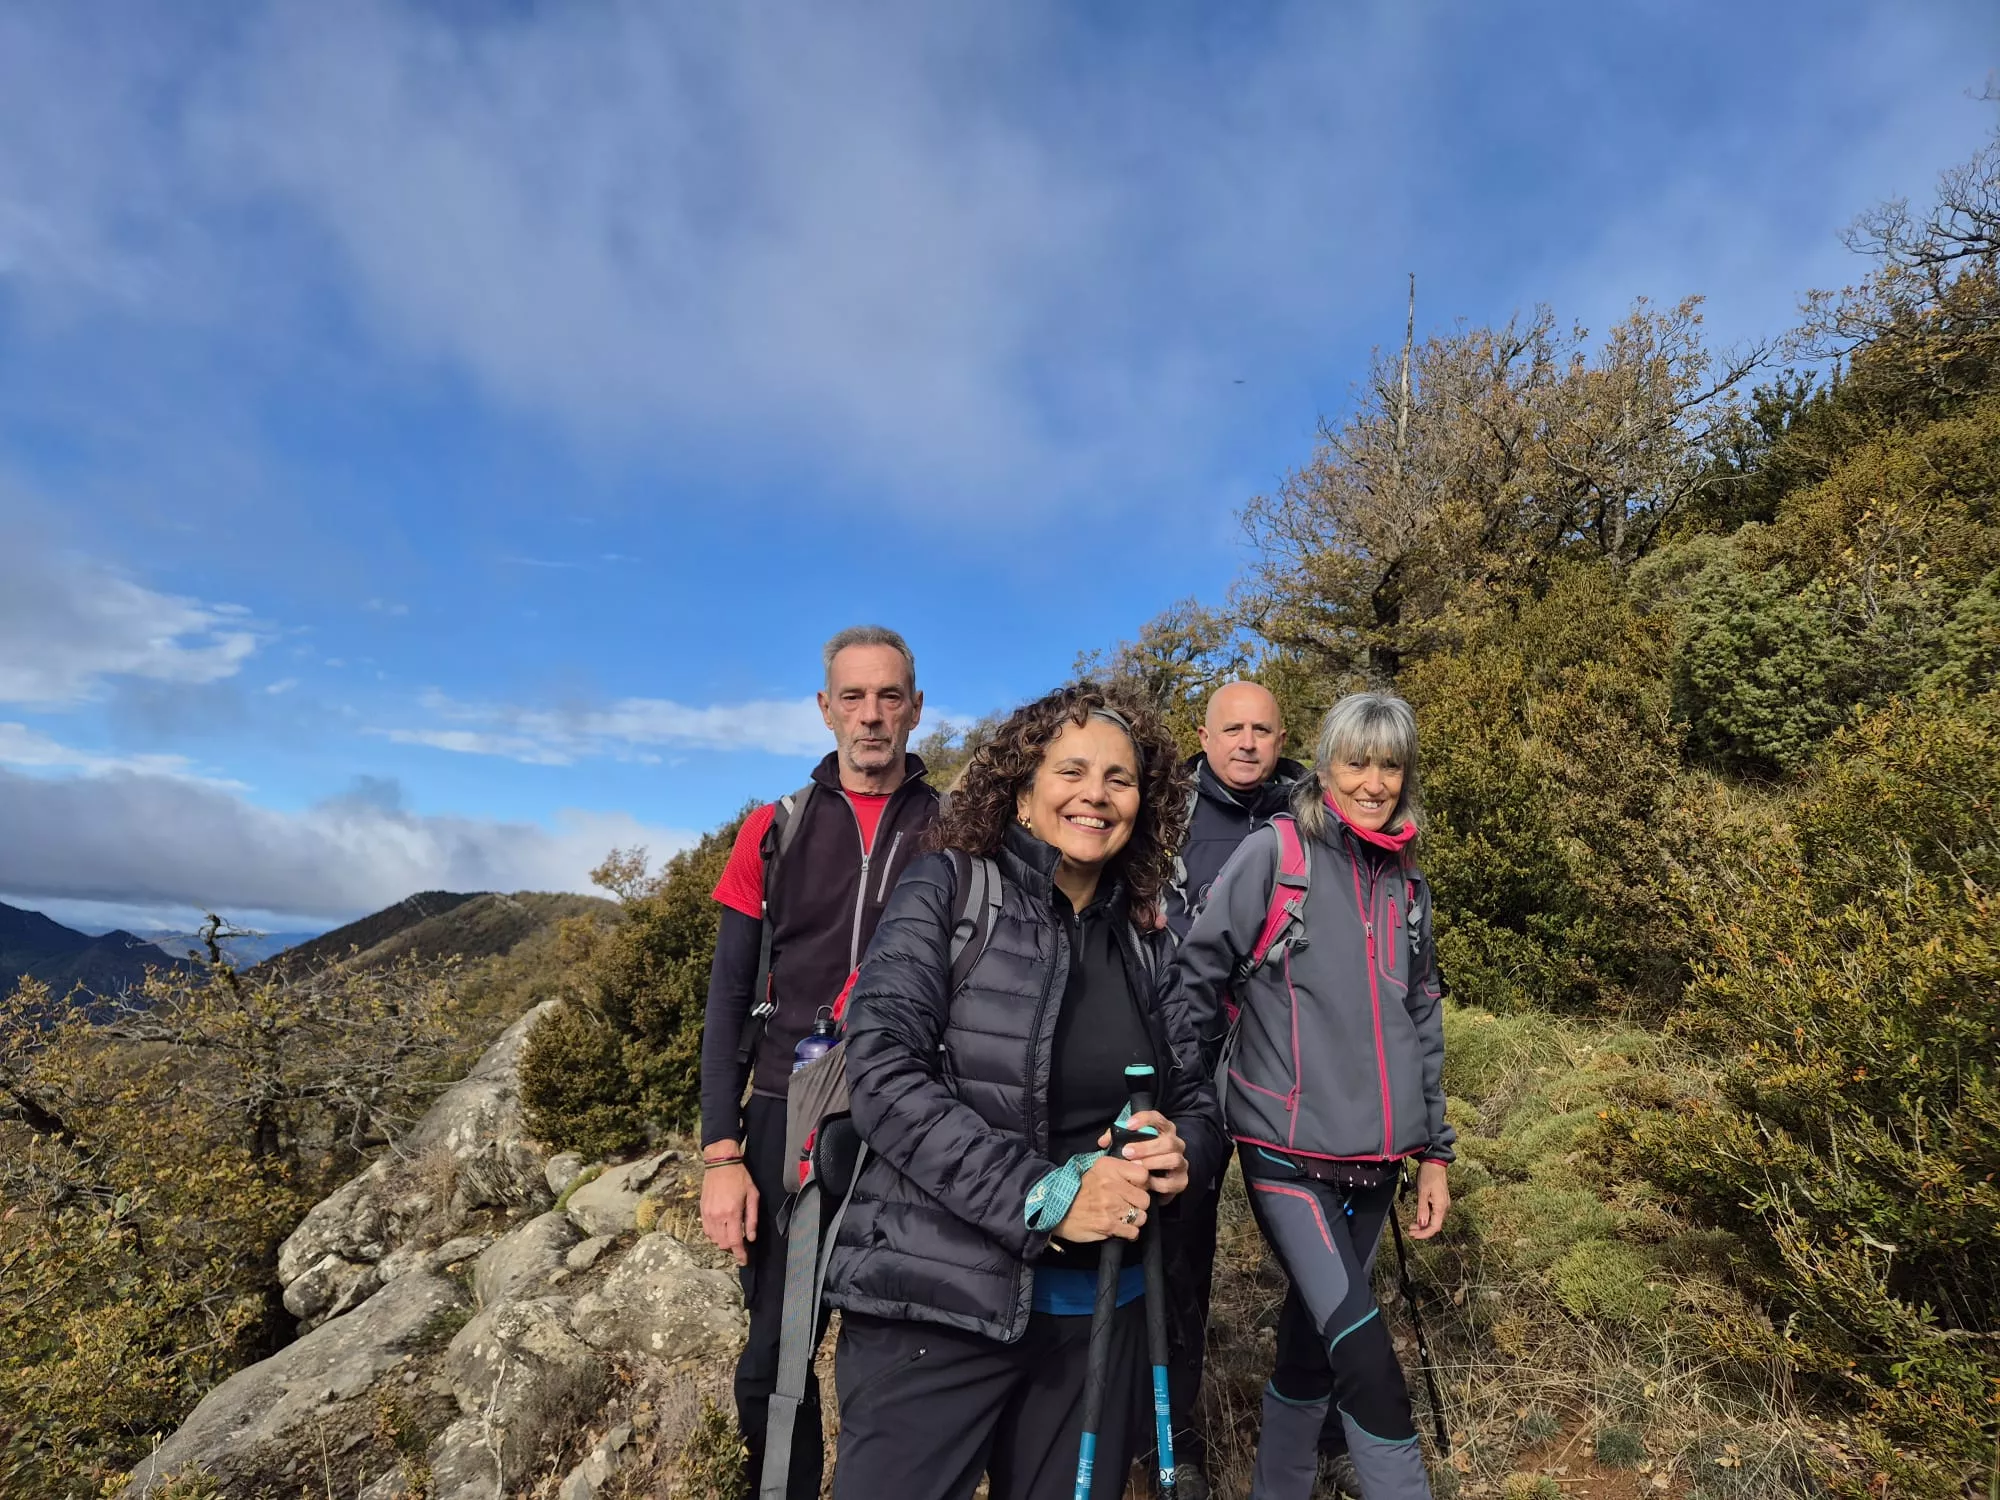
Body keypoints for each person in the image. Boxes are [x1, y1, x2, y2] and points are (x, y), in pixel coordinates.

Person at [821, 683, 1225, 1500]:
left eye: (1120, 778)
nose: (1096, 795)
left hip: (1098, 1316)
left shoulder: (1146, 937)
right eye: (1071, 770)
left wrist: (1187, 1153)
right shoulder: (949, 889)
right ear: (1023, 791)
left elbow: (1197, 1098)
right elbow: (883, 1071)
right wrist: (1045, 1196)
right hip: (938, 1306)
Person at [1174, 691, 1454, 1500]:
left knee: (1310, 1351)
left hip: (1380, 1159)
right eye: (1356, 762)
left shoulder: (1408, 884)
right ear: (1325, 766)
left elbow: (1423, 1017)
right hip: (1283, 1150)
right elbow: (1193, 977)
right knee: (1369, 1364)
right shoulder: (1278, 853)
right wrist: (1195, 1101)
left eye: (1390, 764)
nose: (1373, 781)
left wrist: (1435, 1153)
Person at [698, 625, 941, 1500]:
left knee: (897, 1352)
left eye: (889, 697)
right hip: (782, 1110)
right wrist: (722, 1154)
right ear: (824, 707)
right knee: (776, 1350)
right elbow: (729, 998)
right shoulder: (773, 831)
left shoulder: (957, 833)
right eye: (853, 697)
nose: (871, 717)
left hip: (911, 1115)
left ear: (916, 708)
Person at [1159, 681, 1305, 1499]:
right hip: (1192, 1055)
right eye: (1232, 729)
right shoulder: (1165, 815)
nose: (1247, 742)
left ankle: (1311, 1419)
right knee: (1183, 1246)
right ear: (1205, 736)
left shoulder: (1306, 812)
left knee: (1311, 1247)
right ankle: (1174, 1440)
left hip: (1291, 1056)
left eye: (1262, 729)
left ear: (1283, 737)